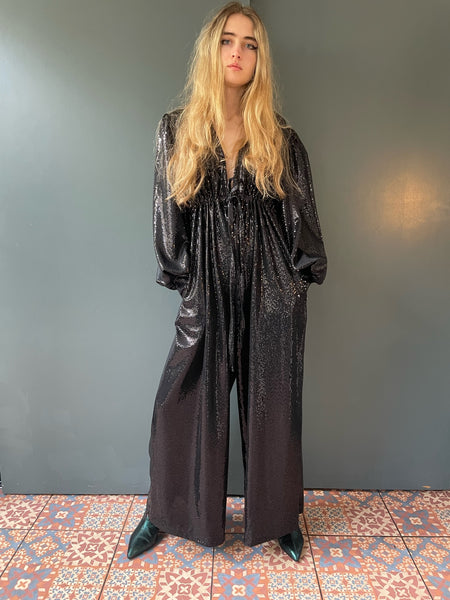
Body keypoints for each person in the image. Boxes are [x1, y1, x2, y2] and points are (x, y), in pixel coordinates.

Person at [127, 1, 327, 562]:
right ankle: (165, 511)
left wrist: (297, 281)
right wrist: (188, 280)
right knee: (181, 402)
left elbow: (301, 215)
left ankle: (280, 516)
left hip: (271, 288)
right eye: (227, 40)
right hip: (207, 286)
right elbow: (167, 211)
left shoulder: (279, 137)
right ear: (211, 50)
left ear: (260, 58)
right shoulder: (177, 129)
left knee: (273, 404)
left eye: (250, 44)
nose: (238, 52)